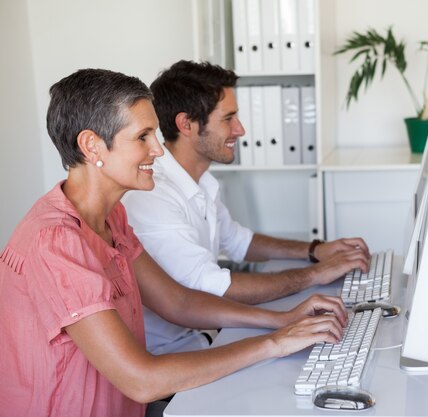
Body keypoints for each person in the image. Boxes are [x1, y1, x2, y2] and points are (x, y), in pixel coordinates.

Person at [0, 68, 348, 417]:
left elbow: (176, 301)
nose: (158, 149)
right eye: (143, 137)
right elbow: (142, 381)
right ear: (92, 146)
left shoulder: (111, 217)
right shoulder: (57, 241)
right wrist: (276, 342)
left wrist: (280, 320)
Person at [122, 60, 370, 355]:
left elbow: (240, 242)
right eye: (228, 118)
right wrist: (314, 276)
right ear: (186, 124)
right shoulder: (153, 194)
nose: (239, 130)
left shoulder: (202, 182)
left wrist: (315, 250)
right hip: (175, 356)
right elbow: (212, 287)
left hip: (206, 337)